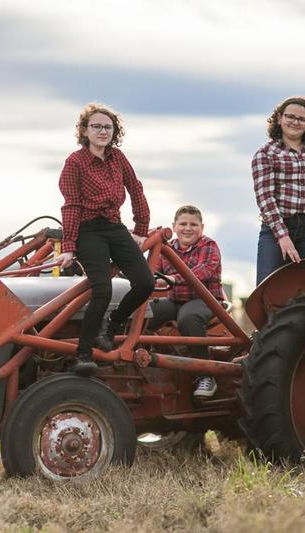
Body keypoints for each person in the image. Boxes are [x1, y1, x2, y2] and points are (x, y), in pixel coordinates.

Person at [56, 102, 154, 376]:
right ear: (85, 131)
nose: (102, 131)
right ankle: (83, 354)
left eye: (108, 127)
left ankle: (111, 326)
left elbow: (135, 189)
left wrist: (141, 227)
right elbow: (71, 205)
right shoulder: (75, 162)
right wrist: (69, 246)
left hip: (115, 226)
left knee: (145, 283)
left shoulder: (118, 158)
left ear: (115, 132)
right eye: (96, 126)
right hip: (89, 230)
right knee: (103, 290)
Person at [252, 96, 305, 285]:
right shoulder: (265, 154)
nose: (295, 122)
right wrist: (282, 236)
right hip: (276, 228)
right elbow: (265, 197)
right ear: (279, 119)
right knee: (268, 287)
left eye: (301, 119)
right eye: (290, 116)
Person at [147, 205, 225, 398]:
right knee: (145, 313)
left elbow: (204, 270)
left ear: (202, 227)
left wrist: (174, 278)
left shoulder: (209, 246)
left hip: (205, 300)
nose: (188, 228)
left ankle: (205, 375)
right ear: (174, 226)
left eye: (193, 224)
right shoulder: (166, 248)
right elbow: (153, 271)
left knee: (188, 318)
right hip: (175, 300)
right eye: (183, 223)